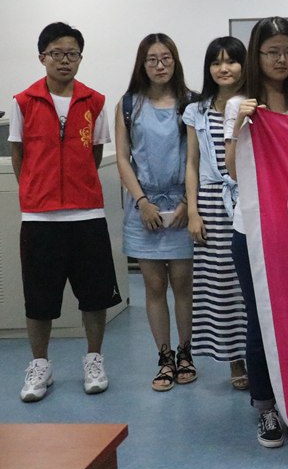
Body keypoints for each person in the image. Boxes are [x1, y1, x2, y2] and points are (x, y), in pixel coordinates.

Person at [224, 16, 288, 448]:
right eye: (272, 52)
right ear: (257, 55)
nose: (281, 60)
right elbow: (233, 171)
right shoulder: (239, 105)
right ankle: (265, 406)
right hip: (252, 230)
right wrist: (240, 128)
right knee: (260, 318)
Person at [11, 22, 122, 402]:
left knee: (95, 296)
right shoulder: (24, 102)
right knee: (39, 299)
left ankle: (94, 360)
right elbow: (18, 154)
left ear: (80, 58)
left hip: (86, 215)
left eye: (71, 54)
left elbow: (95, 153)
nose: (64, 60)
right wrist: (35, 192)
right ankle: (40, 365)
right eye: (56, 53)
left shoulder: (95, 102)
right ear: (42, 57)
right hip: (39, 218)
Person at [114, 33, 196, 392]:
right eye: (152, 59)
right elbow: (122, 158)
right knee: (153, 285)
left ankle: (186, 353)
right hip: (143, 207)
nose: (160, 65)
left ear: (175, 62)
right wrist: (142, 202)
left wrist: (188, 204)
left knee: (182, 283)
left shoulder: (191, 103)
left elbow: (197, 159)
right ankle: (164, 357)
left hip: (182, 205)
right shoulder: (128, 104)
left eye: (166, 58)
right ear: (142, 64)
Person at [183, 36, 249, 391]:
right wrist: (193, 211)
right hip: (212, 200)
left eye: (231, 61)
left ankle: (259, 356)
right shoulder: (197, 109)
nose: (224, 68)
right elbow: (192, 164)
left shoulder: (254, 103)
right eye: (216, 62)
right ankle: (235, 360)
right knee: (222, 285)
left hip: (250, 198)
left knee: (250, 282)